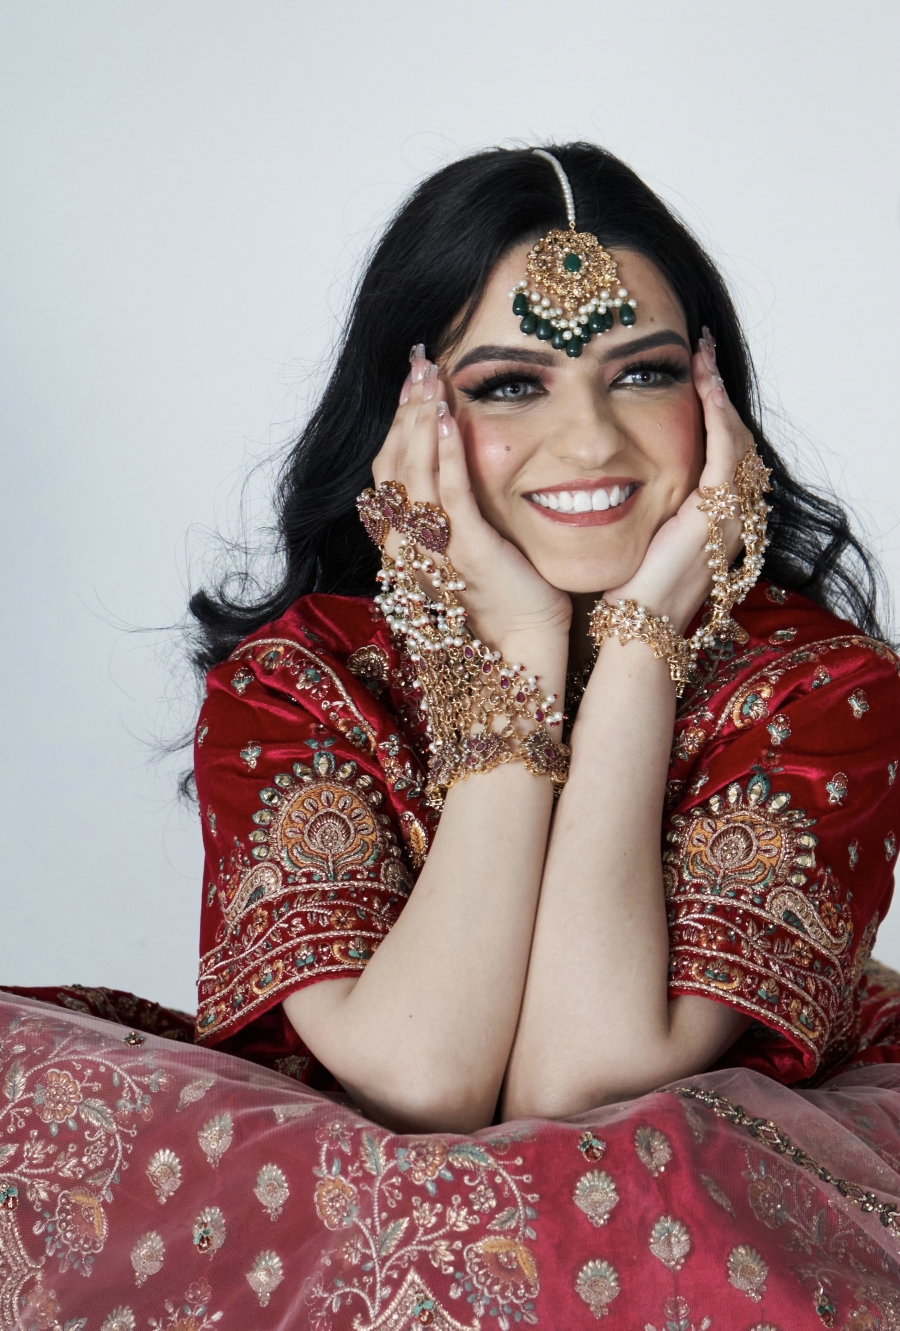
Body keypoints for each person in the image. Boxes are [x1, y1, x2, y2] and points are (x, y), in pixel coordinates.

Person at [5, 142, 900, 1329]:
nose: (590, 442)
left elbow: (585, 1090)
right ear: (407, 413)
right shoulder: (299, 683)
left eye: (642, 373)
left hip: (706, 1224)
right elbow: (420, 1081)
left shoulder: (818, 688)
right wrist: (518, 650)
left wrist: (639, 654)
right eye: (510, 385)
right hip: (338, 1230)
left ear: (712, 395)